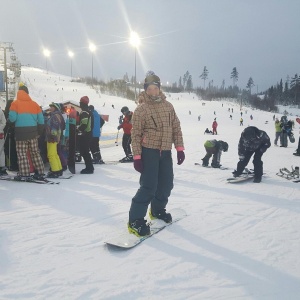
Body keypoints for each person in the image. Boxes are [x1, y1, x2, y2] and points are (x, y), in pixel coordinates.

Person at [128, 72, 185, 237]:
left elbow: (176, 127)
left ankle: (157, 210)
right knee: (149, 186)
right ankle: (135, 220)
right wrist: (137, 157)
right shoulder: (141, 109)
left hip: (165, 151)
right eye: (150, 89)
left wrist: (179, 148)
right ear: (146, 90)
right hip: (149, 151)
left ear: (160, 89)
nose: (153, 92)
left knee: (166, 184)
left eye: (155, 88)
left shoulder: (168, 106)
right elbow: (136, 135)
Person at [8, 83, 45, 181]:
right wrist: (39, 132)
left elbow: (12, 118)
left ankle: (24, 174)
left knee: (22, 154)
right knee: (35, 153)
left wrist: (10, 121)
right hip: (33, 133)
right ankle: (40, 172)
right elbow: (41, 120)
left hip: (20, 134)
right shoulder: (35, 104)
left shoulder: (15, 103)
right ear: (27, 93)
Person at [45, 103, 65, 178]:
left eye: (52, 107)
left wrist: (52, 136)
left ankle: (55, 170)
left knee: (51, 154)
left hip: (52, 138)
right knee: (55, 154)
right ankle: (59, 169)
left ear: (55, 108)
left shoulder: (54, 116)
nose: (50, 108)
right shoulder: (58, 115)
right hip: (56, 137)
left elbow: (55, 127)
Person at [77, 96, 94, 174]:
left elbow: (83, 124)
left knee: (84, 151)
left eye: (80, 103)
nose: (79, 104)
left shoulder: (84, 112)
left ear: (82, 103)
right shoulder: (89, 111)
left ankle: (89, 168)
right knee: (85, 151)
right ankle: (89, 167)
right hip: (88, 134)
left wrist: (77, 129)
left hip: (85, 135)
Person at [0, 109, 7, 175]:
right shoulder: (0, 111)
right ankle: (2, 167)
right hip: (0, 133)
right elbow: (4, 122)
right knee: (1, 150)